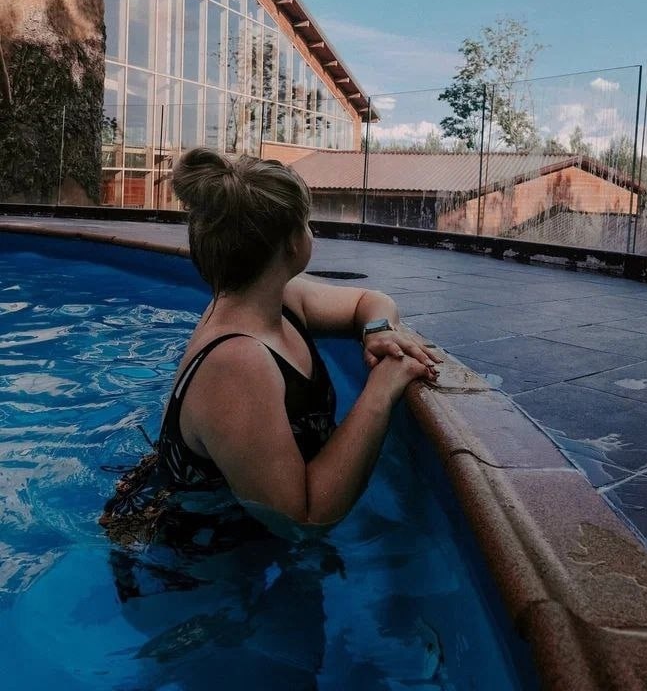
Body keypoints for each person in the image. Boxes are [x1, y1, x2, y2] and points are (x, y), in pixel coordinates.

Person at [100, 147, 442, 549]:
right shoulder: (236, 362)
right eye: (306, 223)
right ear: (291, 244)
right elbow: (303, 520)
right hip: (192, 560)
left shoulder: (280, 300)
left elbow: (369, 301)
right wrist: (380, 392)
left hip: (237, 534)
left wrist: (377, 330)